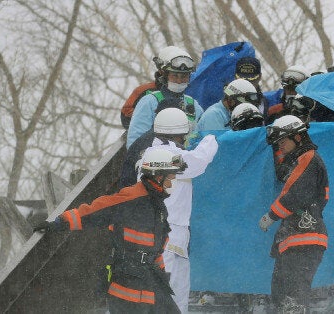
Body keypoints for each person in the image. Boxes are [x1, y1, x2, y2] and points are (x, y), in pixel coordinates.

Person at [33, 148, 187, 313]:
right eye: (171, 177)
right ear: (158, 176)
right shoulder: (132, 198)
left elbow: (155, 249)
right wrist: (58, 223)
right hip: (127, 286)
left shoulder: (159, 206)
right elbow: (93, 212)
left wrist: (161, 274)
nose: (173, 183)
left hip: (152, 283)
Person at [140, 116, 218, 313]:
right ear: (179, 133)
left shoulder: (153, 152)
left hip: (174, 230)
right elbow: (198, 161)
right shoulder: (166, 155)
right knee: (169, 288)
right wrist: (212, 138)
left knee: (178, 290)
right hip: (167, 229)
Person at [258, 115, 329, 312]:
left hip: (305, 237)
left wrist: (271, 216)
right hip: (294, 238)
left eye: (283, 141)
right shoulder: (298, 161)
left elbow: (295, 193)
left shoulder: (309, 158)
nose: (280, 146)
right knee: (282, 295)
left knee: (293, 297)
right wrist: (274, 149)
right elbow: (284, 173)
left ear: (298, 138)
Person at [127, 46, 204, 148]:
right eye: (175, 76)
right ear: (165, 75)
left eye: (184, 76)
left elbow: (203, 135)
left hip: (187, 161)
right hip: (156, 160)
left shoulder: (193, 104)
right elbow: (136, 139)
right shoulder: (149, 102)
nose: (179, 81)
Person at [119, 103, 191, 188]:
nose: (183, 140)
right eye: (182, 136)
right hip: (138, 192)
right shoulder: (157, 146)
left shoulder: (151, 138)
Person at [119, 46, 177, 129]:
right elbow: (125, 115)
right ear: (160, 70)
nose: (178, 79)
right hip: (145, 136)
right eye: (173, 73)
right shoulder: (144, 91)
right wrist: (149, 117)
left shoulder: (189, 92)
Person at [195, 78, 260, 131]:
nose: (243, 109)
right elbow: (220, 145)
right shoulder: (214, 115)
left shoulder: (230, 115)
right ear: (230, 99)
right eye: (241, 104)